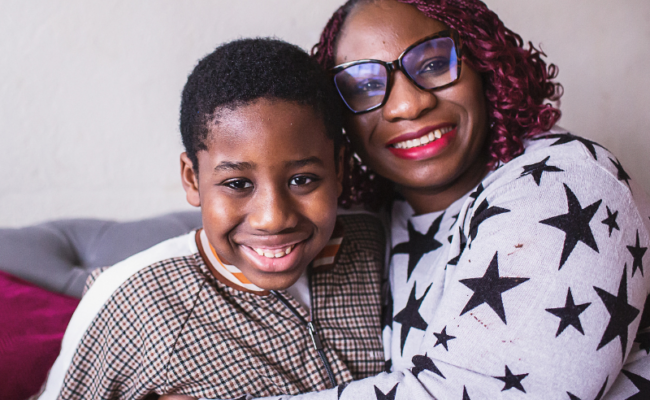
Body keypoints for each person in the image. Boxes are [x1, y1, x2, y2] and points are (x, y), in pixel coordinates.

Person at [201, 1, 649, 399]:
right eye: (363, 86)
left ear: (484, 67)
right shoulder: (369, 228)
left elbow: (472, 389)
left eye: (433, 64)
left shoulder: (564, 179)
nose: (407, 105)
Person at [36, 38, 387, 400]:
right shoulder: (135, 301)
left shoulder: (378, 250)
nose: (273, 218)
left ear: (340, 168)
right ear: (193, 180)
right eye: (237, 183)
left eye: (302, 180)